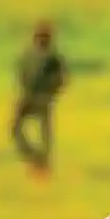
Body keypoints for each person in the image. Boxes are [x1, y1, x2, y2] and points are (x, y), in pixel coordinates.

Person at [11, 20, 67, 177]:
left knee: (44, 131)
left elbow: (61, 78)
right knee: (16, 128)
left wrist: (50, 92)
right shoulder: (30, 54)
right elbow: (22, 72)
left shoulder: (52, 57)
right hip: (28, 96)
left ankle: (43, 160)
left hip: (42, 97)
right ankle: (35, 155)